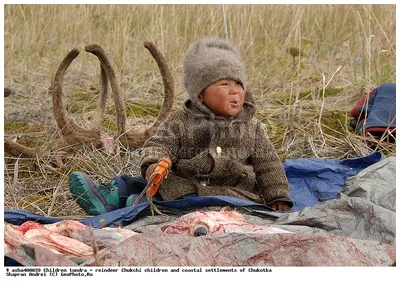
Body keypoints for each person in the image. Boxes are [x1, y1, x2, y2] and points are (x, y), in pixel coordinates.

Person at [69, 37, 293, 215]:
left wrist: (277, 195)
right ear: (201, 95)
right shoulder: (180, 121)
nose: (234, 91)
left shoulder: (252, 127)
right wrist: (154, 164)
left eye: (238, 85)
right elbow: (159, 144)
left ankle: (130, 205)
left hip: (233, 192)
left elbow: (269, 164)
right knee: (141, 183)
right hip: (184, 184)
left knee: (172, 203)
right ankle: (108, 195)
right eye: (224, 84)